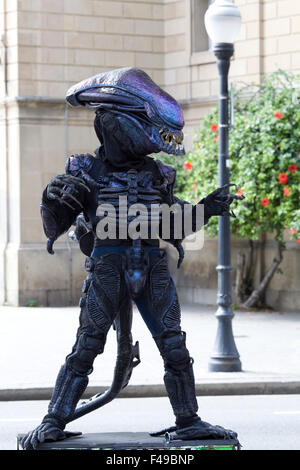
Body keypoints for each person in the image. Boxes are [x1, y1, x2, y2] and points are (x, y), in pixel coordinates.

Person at [21, 68, 242, 450]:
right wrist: (50, 199)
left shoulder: (160, 174)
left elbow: (174, 223)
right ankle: (54, 419)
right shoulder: (84, 169)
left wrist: (206, 209)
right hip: (108, 266)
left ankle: (188, 420)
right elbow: (57, 221)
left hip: (152, 267)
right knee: (87, 347)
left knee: (174, 345)